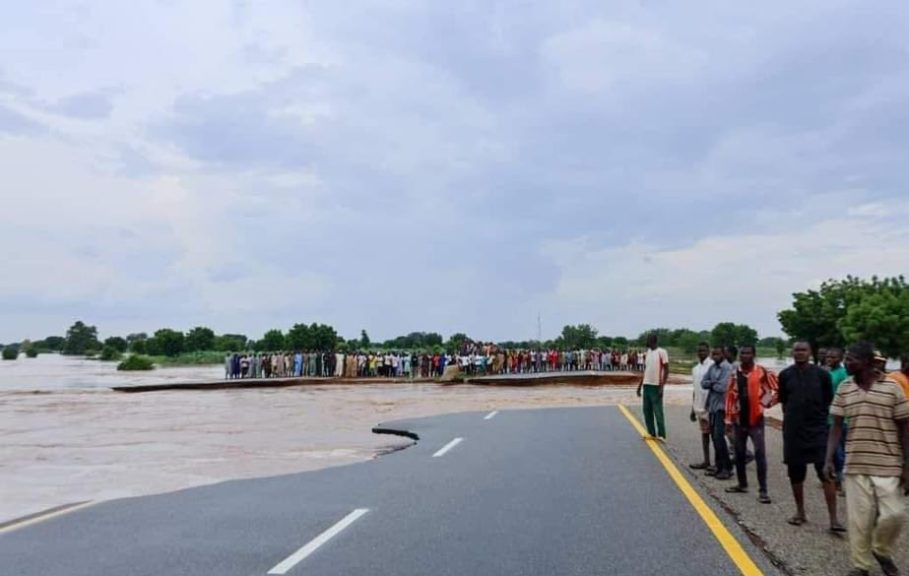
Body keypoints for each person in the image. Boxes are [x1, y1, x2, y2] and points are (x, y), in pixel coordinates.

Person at [825, 342, 909, 576]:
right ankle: (861, 565)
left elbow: (904, 427)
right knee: (860, 520)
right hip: (856, 463)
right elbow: (836, 426)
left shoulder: (892, 387)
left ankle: (881, 549)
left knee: (895, 514)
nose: (847, 363)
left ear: (868, 363)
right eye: (847, 359)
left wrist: (907, 466)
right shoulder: (844, 387)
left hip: (889, 463)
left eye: (852, 359)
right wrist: (828, 459)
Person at [778, 341, 843, 531]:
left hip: (818, 431)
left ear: (810, 352)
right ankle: (800, 512)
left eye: (803, 350)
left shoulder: (822, 375)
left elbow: (828, 400)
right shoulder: (785, 375)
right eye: (796, 350)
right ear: (792, 352)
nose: (799, 353)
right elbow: (784, 402)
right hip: (793, 431)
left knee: (826, 472)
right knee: (796, 474)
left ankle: (834, 519)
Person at [724, 344, 778, 503]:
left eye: (748, 353)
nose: (745, 356)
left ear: (754, 355)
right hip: (739, 420)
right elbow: (730, 396)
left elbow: (777, 389)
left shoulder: (763, 372)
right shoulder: (735, 374)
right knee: (739, 453)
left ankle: (763, 491)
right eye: (742, 353)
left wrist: (765, 403)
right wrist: (728, 419)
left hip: (756, 420)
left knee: (760, 454)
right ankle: (742, 484)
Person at [702, 346, 734, 480]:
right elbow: (703, 383)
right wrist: (713, 383)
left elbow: (722, 387)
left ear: (723, 354)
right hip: (712, 407)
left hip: (722, 407)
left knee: (719, 438)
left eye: (717, 354)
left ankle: (727, 468)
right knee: (715, 438)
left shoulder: (727, 368)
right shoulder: (712, 367)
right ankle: (719, 467)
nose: (715, 356)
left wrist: (711, 383)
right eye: (713, 354)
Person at [636, 334, 669, 440]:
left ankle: (662, 434)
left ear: (653, 341)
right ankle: (651, 432)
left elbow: (667, 369)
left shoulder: (662, 352)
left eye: (648, 340)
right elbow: (646, 370)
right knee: (647, 410)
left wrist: (662, 387)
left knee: (658, 411)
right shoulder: (648, 353)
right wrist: (640, 386)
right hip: (647, 385)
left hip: (656, 386)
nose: (647, 342)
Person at [826, 348, 849, 491]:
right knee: (833, 451)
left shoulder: (843, 374)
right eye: (828, 356)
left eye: (833, 357)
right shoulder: (828, 372)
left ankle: (842, 481)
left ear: (840, 359)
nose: (829, 359)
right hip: (827, 417)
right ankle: (834, 476)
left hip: (841, 419)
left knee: (839, 451)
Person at [689, 342, 713, 470]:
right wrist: (692, 409)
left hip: (712, 407)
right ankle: (707, 461)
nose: (701, 353)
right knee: (705, 435)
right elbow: (695, 389)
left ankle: (723, 463)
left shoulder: (713, 366)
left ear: (708, 351)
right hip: (699, 407)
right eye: (699, 351)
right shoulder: (695, 369)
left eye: (704, 351)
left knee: (717, 436)